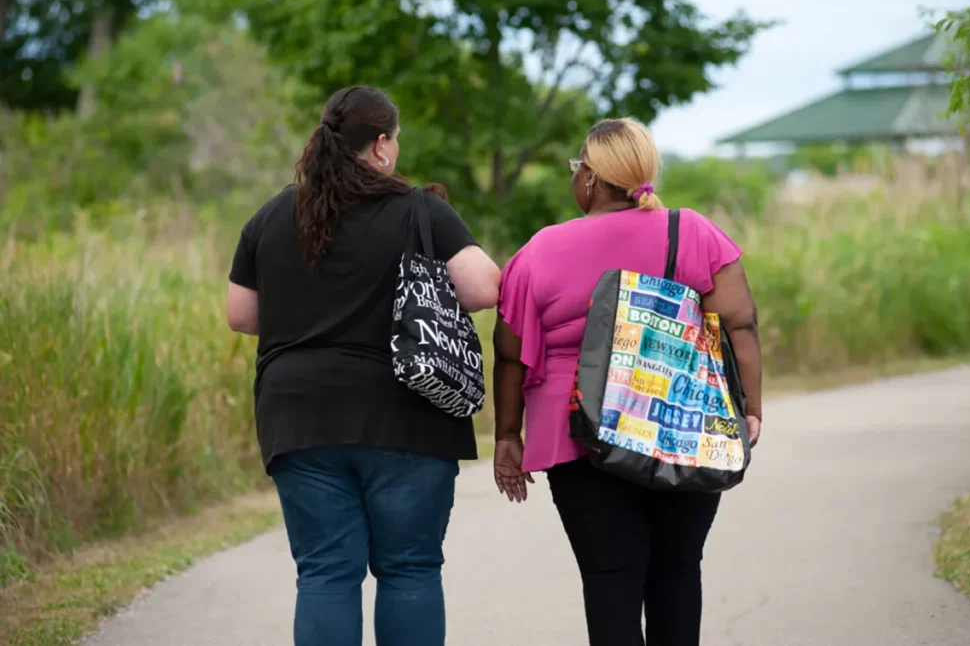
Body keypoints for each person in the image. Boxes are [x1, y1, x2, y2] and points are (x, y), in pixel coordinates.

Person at [225, 85, 500, 646]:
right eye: (394, 141)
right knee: (410, 568)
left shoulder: (274, 214)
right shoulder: (421, 211)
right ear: (380, 145)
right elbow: (483, 288)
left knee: (325, 571)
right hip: (404, 412)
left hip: (298, 418)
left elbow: (241, 314)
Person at [491, 117, 762, 646]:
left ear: (590, 179)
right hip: (683, 426)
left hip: (581, 433)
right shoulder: (694, 232)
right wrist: (750, 408)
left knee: (610, 579)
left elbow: (510, 353)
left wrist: (507, 435)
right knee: (678, 570)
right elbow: (740, 324)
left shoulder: (541, 249)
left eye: (577, 168)